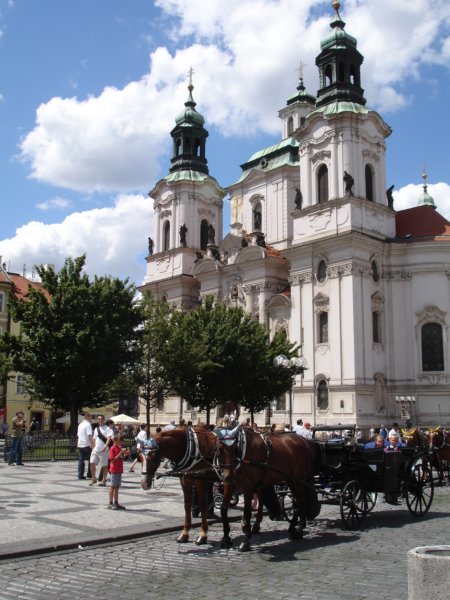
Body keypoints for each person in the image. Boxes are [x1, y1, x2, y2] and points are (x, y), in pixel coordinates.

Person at [108, 434, 130, 510]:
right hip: (114, 470)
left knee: (117, 487)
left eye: (121, 442)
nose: (120, 443)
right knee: (112, 486)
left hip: (119, 469)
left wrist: (126, 454)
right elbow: (112, 460)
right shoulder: (112, 448)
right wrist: (120, 453)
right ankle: (110, 503)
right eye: (119, 442)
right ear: (115, 441)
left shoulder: (119, 448)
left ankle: (116, 502)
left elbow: (121, 458)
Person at [89, 415, 112, 486]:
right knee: (92, 462)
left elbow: (109, 438)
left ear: (104, 420)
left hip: (103, 449)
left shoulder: (108, 428)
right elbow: (94, 438)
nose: (100, 420)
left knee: (104, 465)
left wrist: (105, 446)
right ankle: (93, 478)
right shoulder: (96, 429)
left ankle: (103, 480)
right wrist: (93, 445)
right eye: (99, 419)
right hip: (96, 449)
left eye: (102, 419)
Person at [77, 412, 93, 480]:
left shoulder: (80, 424)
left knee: (81, 460)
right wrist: (92, 443)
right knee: (91, 460)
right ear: (88, 417)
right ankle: (90, 474)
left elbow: (78, 435)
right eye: (91, 417)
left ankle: (80, 475)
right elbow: (89, 435)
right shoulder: (88, 424)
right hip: (87, 444)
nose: (91, 418)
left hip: (80, 444)